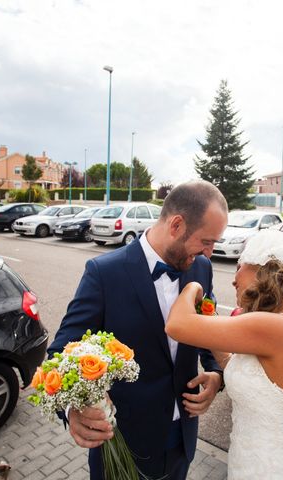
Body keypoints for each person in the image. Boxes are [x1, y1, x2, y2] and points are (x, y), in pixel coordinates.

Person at [47, 180, 228, 480]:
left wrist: (216, 374)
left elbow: (208, 329)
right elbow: (58, 355)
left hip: (183, 438)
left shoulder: (201, 269)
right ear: (177, 225)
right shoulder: (103, 273)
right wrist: (71, 409)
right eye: (206, 241)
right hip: (124, 446)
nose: (209, 253)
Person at [166, 229, 283, 479]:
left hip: (268, 469)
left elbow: (176, 325)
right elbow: (234, 362)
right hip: (256, 459)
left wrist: (193, 285)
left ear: (259, 270)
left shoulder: (273, 326)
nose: (234, 280)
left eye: (239, 266)